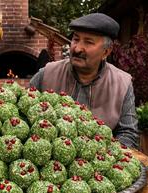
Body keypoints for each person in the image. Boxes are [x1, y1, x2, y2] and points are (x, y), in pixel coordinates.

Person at [30, 13, 138, 148]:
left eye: (88, 42)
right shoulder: (47, 73)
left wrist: (107, 156)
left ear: (106, 52)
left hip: (100, 162)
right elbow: (22, 109)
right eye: (75, 39)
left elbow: (128, 133)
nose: (77, 48)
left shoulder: (122, 83)